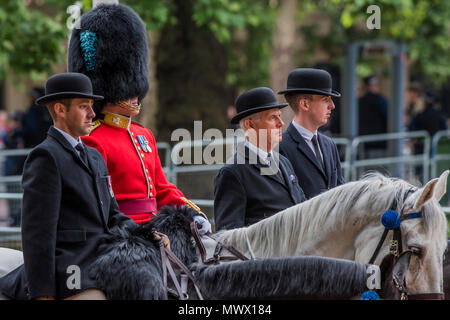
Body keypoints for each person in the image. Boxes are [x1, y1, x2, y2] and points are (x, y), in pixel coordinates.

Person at [68, 3, 210, 231]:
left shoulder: (144, 135)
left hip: (155, 231)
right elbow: (101, 203)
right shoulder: (93, 139)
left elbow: (162, 190)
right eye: (127, 89)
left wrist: (192, 213)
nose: (136, 95)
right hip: (122, 235)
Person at [0, 72, 136, 300]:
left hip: (103, 264)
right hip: (69, 270)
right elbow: (38, 235)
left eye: (92, 106)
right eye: (84, 106)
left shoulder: (94, 156)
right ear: (60, 110)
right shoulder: (45, 156)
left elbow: (113, 216)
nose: (93, 114)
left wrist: (149, 233)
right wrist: (42, 295)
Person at [214, 87, 306, 230]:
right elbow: (228, 237)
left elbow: (302, 207)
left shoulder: (284, 162)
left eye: (279, 116)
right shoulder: (233, 172)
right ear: (250, 125)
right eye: (272, 118)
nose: (281, 123)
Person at [278, 68, 345, 200]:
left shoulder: (329, 144)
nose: (332, 105)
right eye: (326, 99)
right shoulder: (280, 147)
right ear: (305, 104)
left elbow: (340, 190)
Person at [358, 75, 388, 157]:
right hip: (379, 143)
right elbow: (389, 118)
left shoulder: (358, 102)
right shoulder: (380, 100)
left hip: (363, 144)